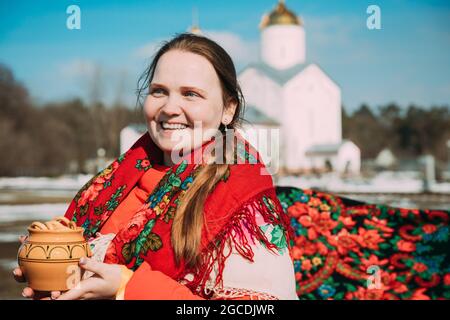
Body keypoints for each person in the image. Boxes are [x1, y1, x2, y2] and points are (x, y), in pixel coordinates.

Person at [13, 33, 298, 300]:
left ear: (228, 109)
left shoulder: (241, 199)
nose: (170, 108)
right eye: (159, 91)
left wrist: (129, 288)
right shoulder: (122, 176)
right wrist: (50, 267)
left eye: (191, 94)